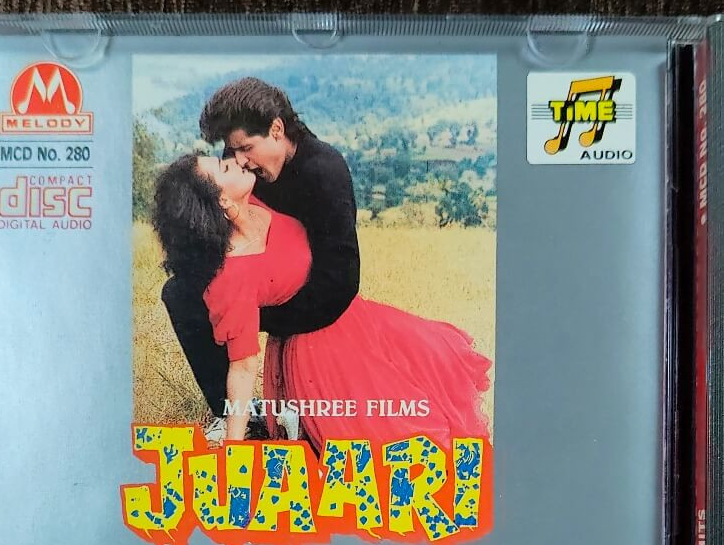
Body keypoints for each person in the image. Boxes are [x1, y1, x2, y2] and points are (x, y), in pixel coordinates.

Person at [154, 154, 491, 452]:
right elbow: (242, 368)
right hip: (319, 357)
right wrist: (234, 448)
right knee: (407, 436)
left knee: (436, 360)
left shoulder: (257, 200)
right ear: (222, 200)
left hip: (354, 318)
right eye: (225, 167)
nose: (236, 161)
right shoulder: (231, 277)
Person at [162, 78, 359, 439]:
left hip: (311, 294)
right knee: (179, 292)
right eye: (231, 150)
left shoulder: (324, 172)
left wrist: (248, 316)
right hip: (252, 273)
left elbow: (340, 280)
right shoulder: (243, 164)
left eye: (246, 148)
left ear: (277, 130)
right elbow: (209, 211)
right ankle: (230, 412)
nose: (238, 160)